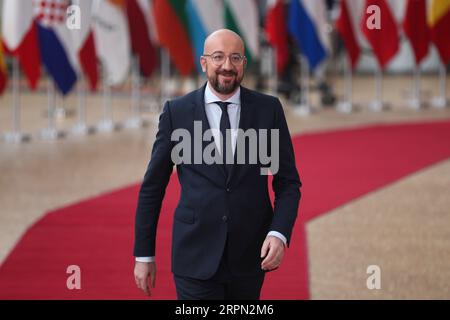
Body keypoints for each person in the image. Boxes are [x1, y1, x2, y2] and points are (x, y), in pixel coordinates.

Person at [134, 29, 301, 300]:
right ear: (204, 63)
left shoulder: (267, 110)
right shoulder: (177, 113)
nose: (227, 66)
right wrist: (144, 254)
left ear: (244, 63)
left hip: (250, 256)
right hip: (194, 255)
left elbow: (288, 183)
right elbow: (153, 187)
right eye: (218, 57)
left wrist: (279, 232)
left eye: (236, 58)